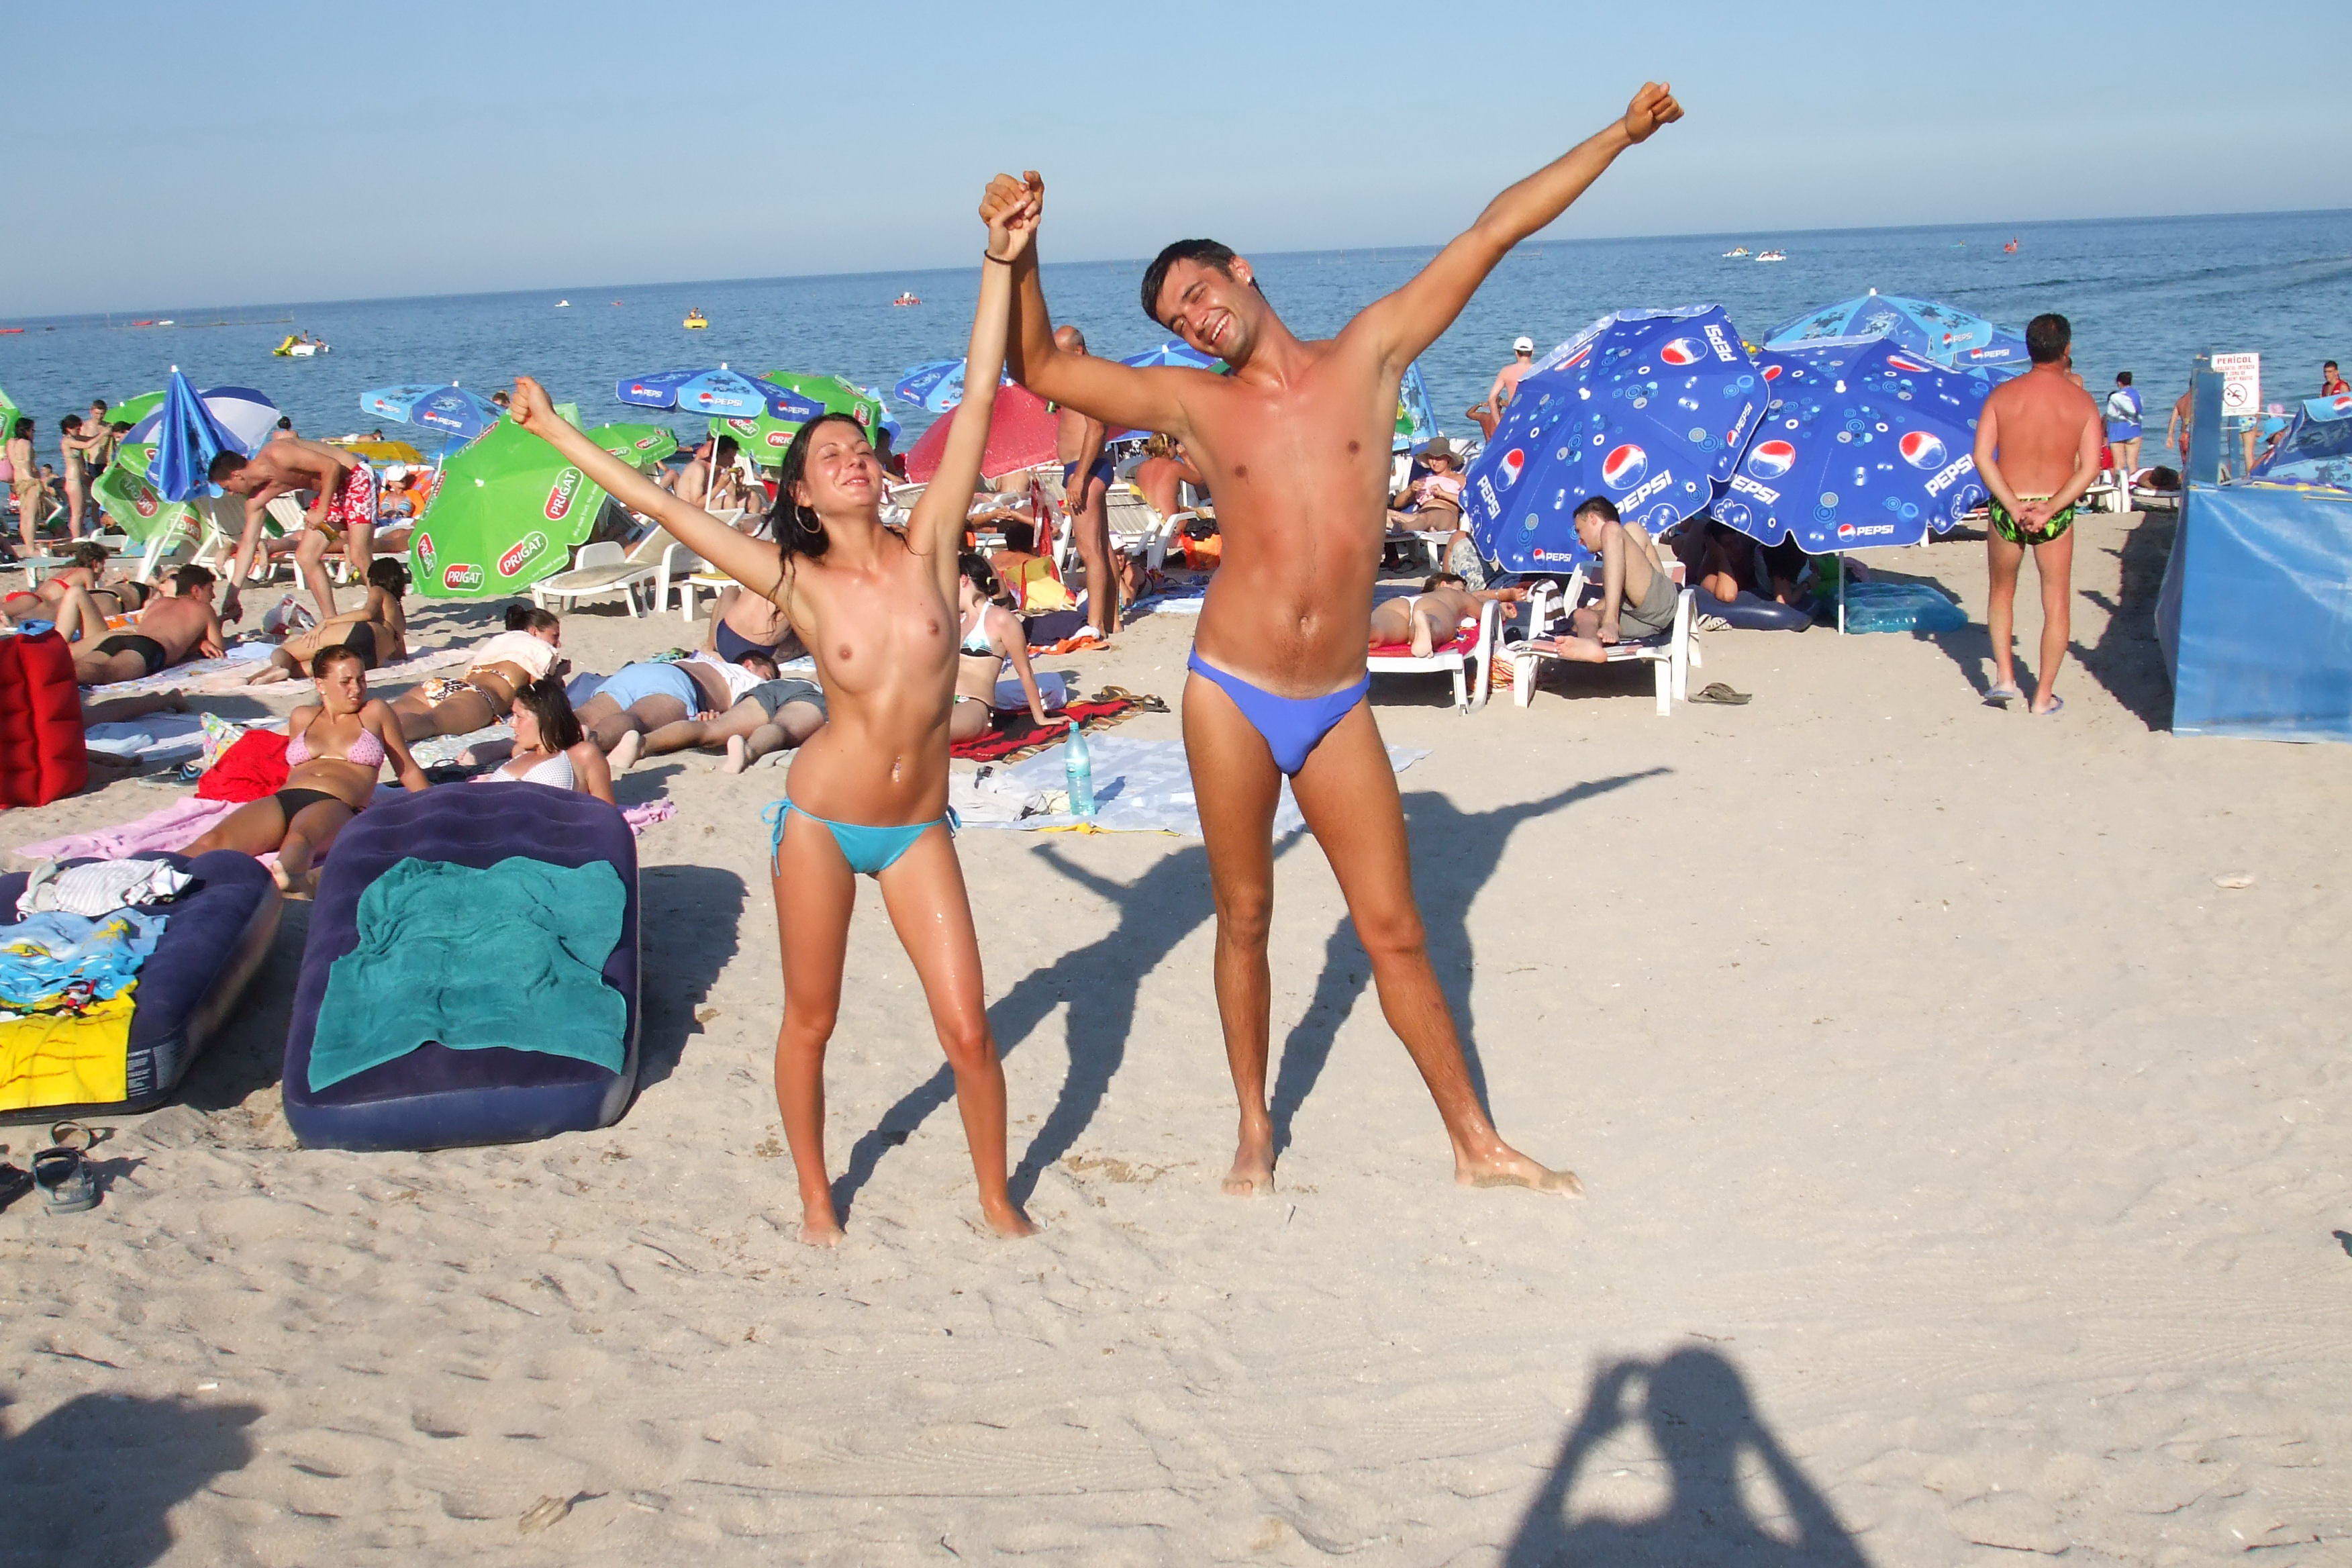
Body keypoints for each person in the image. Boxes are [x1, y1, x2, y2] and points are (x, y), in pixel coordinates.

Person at [987, 81, 1685, 1198]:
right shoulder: (1191, 404)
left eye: (1198, 292)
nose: (1193, 319)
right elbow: (1039, 369)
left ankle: (1473, 1143)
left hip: (1334, 700)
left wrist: (1617, 134)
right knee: (1246, 913)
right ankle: (1253, 1127)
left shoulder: (1371, 353)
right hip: (1229, 687)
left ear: (1240, 271)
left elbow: (1494, 229)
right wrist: (1018, 258)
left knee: (1395, 927)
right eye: (1174, 317)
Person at [501, 179, 1042, 1246]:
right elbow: (661, 505)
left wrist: (998, 257)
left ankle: (994, 1196)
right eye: (828, 452)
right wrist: (556, 431)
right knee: (812, 1018)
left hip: (919, 823)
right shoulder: (794, 579)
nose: (852, 456)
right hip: (822, 820)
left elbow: (979, 394)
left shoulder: (933, 543)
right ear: (803, 492)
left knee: (970, 1029)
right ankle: (813, 1196)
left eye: (859, 446)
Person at [185, 644, 428, 896]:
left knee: (299, 840)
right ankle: (154, 870)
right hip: (286, 798)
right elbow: (294, 770)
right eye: (346, 681)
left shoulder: (374, 712)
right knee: (212, 842)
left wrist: (435, 806)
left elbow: (406, 769)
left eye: (361, 679)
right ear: (320, 685)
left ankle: (288, 881)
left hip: (336, 804)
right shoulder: (302, 716)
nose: (357, 689)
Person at [1973, 312, 2103, 716]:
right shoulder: (2081, 401)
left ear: (2027, 348)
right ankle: (2043, 697)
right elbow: (2089, 468)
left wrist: (2013, 505)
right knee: (2057, 603)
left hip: (2008, 508)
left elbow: (1981, 456)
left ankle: (2006, 679)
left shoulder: (2003, 395)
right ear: (2067, 349)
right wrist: (2050, 508)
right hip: (2055, 509)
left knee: (2001, 593)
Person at [209, 438, 377, 623]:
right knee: (306, 557)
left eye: (227, 488)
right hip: (331, 491)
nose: (231, 494)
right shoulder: (255, 500)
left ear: (237, 475)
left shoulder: (277, 454)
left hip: (355, 477)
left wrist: (321, 510)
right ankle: (330, 621)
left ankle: (384, 609)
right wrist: (232, 595)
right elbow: (248, 545)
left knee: (359, 554)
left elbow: (331, 466)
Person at [611, 660, 830, 775]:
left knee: (713, 728)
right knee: (783, 727)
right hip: (814, 695)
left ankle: (642, 744)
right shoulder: (839, 676)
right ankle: (748, 750)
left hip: (771, 688)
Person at [1522, 497, 1677, 660]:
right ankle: (1591, 644)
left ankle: (1611, 621)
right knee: (1583, 615)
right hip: (1639, 620)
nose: (1579, 540)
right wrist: (1589, 612)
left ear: (1592, 519)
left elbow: (1628, 582)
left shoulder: (1630, 530)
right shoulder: (1612, 555)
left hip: (1659, 603)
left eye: (1579, 530)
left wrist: (1608, 616)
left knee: (1611, 529)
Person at [387, 604, 563, 739]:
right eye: (554, 636)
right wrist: (559, 674)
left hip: (447, 684)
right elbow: (537, 693)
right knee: (428, 723)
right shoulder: (542, 648)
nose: (558, 644)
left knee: (385, 715)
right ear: (534, 631)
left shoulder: (501, 639)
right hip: (480, 696)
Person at [242, 558, 409, 683]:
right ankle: (267, 675)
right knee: (313, 667)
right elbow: (400, 655)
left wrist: (328, 622)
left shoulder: (378, 591)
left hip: (366, 633)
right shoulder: (398, 611)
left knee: (285, 652)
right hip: (373, 659)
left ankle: (279, 668)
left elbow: (367, 614)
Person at [1052, 326, 1118, 639]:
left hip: (1085, 468)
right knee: (1102, 547)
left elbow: (1096, 428)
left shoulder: (1085, 379)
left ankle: (1095, 625)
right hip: (1085, 466)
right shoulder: (1085, 377)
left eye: (1059, 353)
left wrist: (1079, 476)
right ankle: (1112, 619)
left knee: (1089, 550)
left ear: (1077, 351)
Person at [456, 675, 615, 803]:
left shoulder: (582, 754)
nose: (512, 724)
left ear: (545, 719)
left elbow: (606, 813)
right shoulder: (520, 753)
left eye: (519, 717)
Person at [951, 553, 1054, 741]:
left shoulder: (1001, 619)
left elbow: (1025, 672)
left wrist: (1040, 718)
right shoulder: (957, 620)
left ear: (963, 579)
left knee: (930, 734)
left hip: (975, 705)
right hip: (944, 701)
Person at [70, 565, 226, 685]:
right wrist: (200, 643)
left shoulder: (159, 602)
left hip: (122, 640)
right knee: (107, 673)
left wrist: (197, 642)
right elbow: (218, 648)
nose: (213, 596)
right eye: (210, 589)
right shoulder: (204, 609)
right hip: (149, 649)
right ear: (196, 590)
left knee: (76, 667)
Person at [1366, 572, 1523, 658]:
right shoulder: (1454, 595)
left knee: (1380, 628)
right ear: (1445, 584)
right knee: (1436, 623)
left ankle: (1365, 632)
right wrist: (1501, 610)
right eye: (1462, 588)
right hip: (1432, 608)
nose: (1465, 592)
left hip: (1400, 604)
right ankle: (1426, 624)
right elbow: (1484, 613)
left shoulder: (1423, 595)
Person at [1467, 335, 1537, 436]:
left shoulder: (1506, 372)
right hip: (1535, 418)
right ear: (1532, 352)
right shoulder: (1540, 370)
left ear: (1516, 352)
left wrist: (1498, 423)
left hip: (1514, 419)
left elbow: (1492, 398)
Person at [1132, 432, 1207, 523]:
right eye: (1174, 444)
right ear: (1168, 447)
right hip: (1171, 525)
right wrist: (1185, 456)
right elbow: (1200, 479)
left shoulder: (1141, 468)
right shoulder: (1174, 466)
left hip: (1148, 523)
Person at [57, 415, 99, 539]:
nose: (79, 430)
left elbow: (90, 440)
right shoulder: (67, 440)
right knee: (77, 512)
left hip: (80, 478)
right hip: (72, 479)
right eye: (77, 428)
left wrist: (107, 433)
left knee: (84, 507)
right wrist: (103, 434)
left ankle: (81, 534)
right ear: (69, 429)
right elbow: (88, 445)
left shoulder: (75, 437)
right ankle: (76, 539)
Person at [8, 417, 44, 554]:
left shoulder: (11, 442)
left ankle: (27, 544)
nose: (33, 433)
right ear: (27, 430)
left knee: (24, 514)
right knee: (31, 515)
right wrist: (36, 478)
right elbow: (27, 464)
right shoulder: (26, 444)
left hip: (18, 481)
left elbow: (14, 462)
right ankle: (30, 547)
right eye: (32, 430)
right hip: (29, 481)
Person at [2104, 372, 2143, 488]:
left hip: (2117, 433)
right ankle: (2132, 487)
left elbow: (2110, 416)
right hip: (2135, 431)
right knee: (2133, 464)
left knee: (2119, 464)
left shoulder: (2115, 397)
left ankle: (2118, 488)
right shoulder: (2137, 395)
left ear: (2119, 382)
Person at [2167, 384, 2195, 470]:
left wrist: (2170, 437)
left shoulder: (2181, 401)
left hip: (2183, 437)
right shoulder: (2199, 400)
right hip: (2195, 437)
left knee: (2186, 466)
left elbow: (2172, 421)